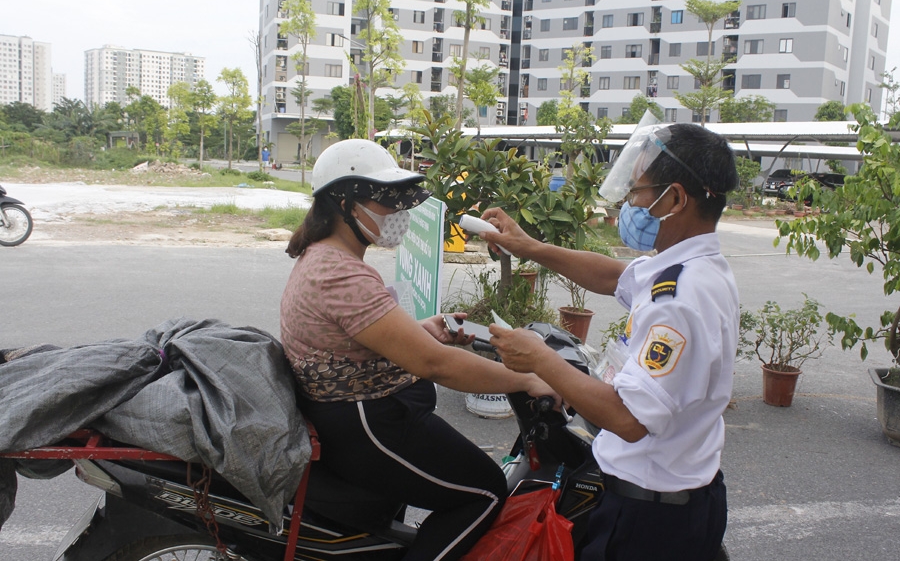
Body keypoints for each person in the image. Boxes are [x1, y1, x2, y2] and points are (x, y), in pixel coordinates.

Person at [280, 139, 557, 561]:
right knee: (484, 491)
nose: (398, 214)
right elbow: (435, 365)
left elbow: (363, 337)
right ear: (345, 203)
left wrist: (421, 330)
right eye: (386, 201)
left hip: (366, 413)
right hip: (367, 422)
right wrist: (531, 378)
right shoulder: (339, 273)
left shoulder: (329, 259)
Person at [479, 122, 739, 561]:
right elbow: (614, 275)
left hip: (649, 520)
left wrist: (539, 359)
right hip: (672, 497)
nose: (629, 204)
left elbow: (628, 419)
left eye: (638, 191)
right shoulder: (689, 267)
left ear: (675, 199)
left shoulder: (680, 299)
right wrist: (530, 247)